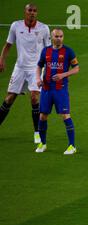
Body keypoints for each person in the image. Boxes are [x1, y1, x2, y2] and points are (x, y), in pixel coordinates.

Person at [0, 3, 51, 143]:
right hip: (20, 67)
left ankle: (37, 133)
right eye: (30, 10)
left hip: (36, 68)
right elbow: (8, 45)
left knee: (34, 97)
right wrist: (2, 60)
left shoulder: (44, 28)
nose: (32, 13)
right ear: (25, 12)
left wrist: (49, 69)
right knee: (9, 98)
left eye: (35, 11)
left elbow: (49, 50)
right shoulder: (16, 26)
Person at [35, 28, 79, 155]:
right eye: (57, 36)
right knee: (42, 115)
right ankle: (42, 143)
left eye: (61, 36)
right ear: (51, 37)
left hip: (60, 90)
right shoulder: (46, 51)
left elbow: (76, 68)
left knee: (65, 115)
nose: (59, 38)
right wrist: (38, 78)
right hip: (47, 89)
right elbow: (39, 65)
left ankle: (72, 146)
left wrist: (63, 75)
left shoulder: (68, 51)